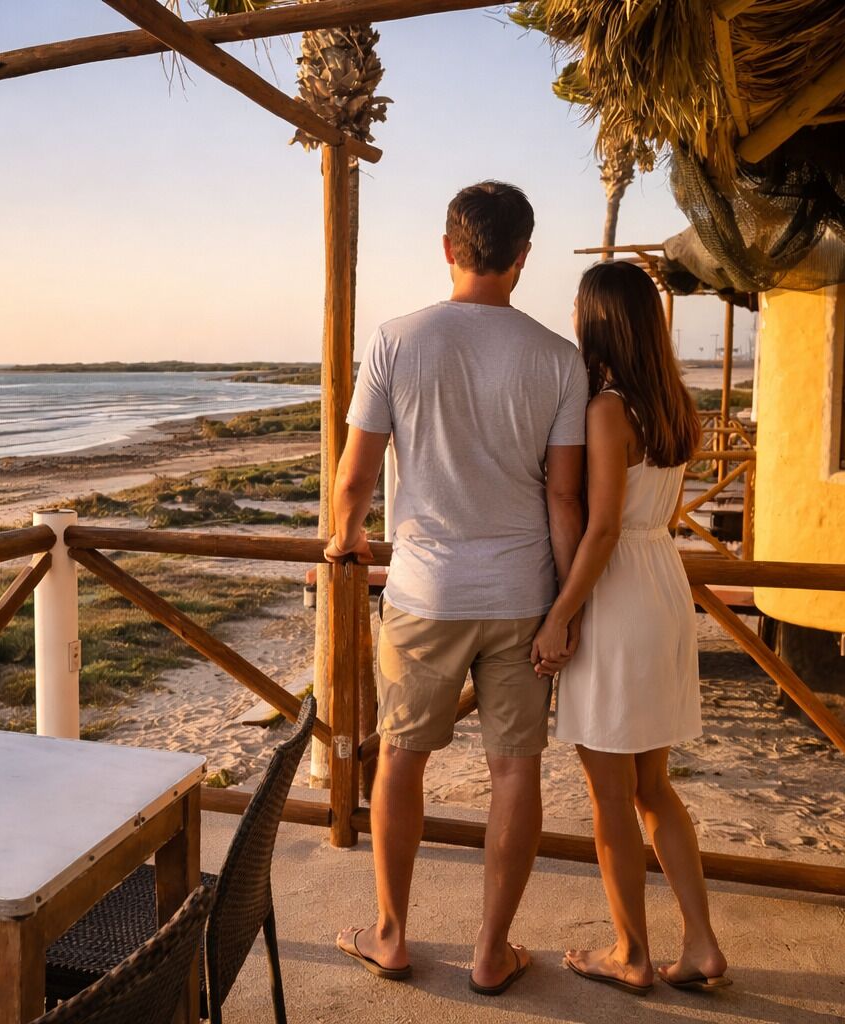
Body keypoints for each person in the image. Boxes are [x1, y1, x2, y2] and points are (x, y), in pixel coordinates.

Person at [326, 181, 588, 995]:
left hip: (425, 592)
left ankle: (393, 936)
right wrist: (564, 607)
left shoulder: (398, 339)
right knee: (515, 772)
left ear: (449, 249)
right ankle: (489, 950)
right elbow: (564, 497)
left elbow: (356, 478)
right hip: (521, 595)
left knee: (401, 759)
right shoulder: (558, 357)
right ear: (523, 257)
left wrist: (346, 539)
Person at [533, 260, 730, 994]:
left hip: (617, 597)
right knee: (653, 786)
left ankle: (632, 953)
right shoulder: (677, 403)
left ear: (599, 321)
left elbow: (605, 525)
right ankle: (701, 943)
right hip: (664, 585)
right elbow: (644, 518)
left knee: (611, 794)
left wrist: (560, 615)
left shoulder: (609, 409)